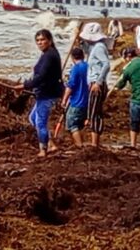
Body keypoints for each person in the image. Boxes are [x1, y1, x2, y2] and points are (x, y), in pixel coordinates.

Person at [15, 29, 64, 157]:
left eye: (43, 40)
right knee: (33, 118)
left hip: (47, 93)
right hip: (44, 93)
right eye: (38, 40)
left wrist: (25, 85)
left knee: (40, 122)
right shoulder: (48, 54)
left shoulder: (49, 55)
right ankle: (51, 144)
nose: (40, 43)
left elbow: (41, 76)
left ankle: (43, 150)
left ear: (50, 40)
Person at [115, 47, 140, 149]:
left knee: (134, 122)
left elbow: (120, 85)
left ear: (128, 57)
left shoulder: (128, 68)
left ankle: (133, 144)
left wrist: (123, 71)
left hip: (137, 98)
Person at [81, 22, 111, 148]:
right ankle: (95, 143)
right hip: (93, 82)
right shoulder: (94, 47)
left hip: (97, 84)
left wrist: (98, 82)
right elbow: (86, 50)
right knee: (95, 112)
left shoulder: (99, 47)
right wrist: (80, 41)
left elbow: (106, 65)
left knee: (94, 114)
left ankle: (95, 144)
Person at [61, 47, 89, 147]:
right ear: (83, 56)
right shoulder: (88, 66)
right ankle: (81, 144)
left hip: (77, 101)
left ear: (72, 58)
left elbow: (71, 86)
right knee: (79, 125)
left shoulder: (76, 69)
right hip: (87, 102)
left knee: (72, 125)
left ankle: (79, 145)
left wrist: (64, 100)